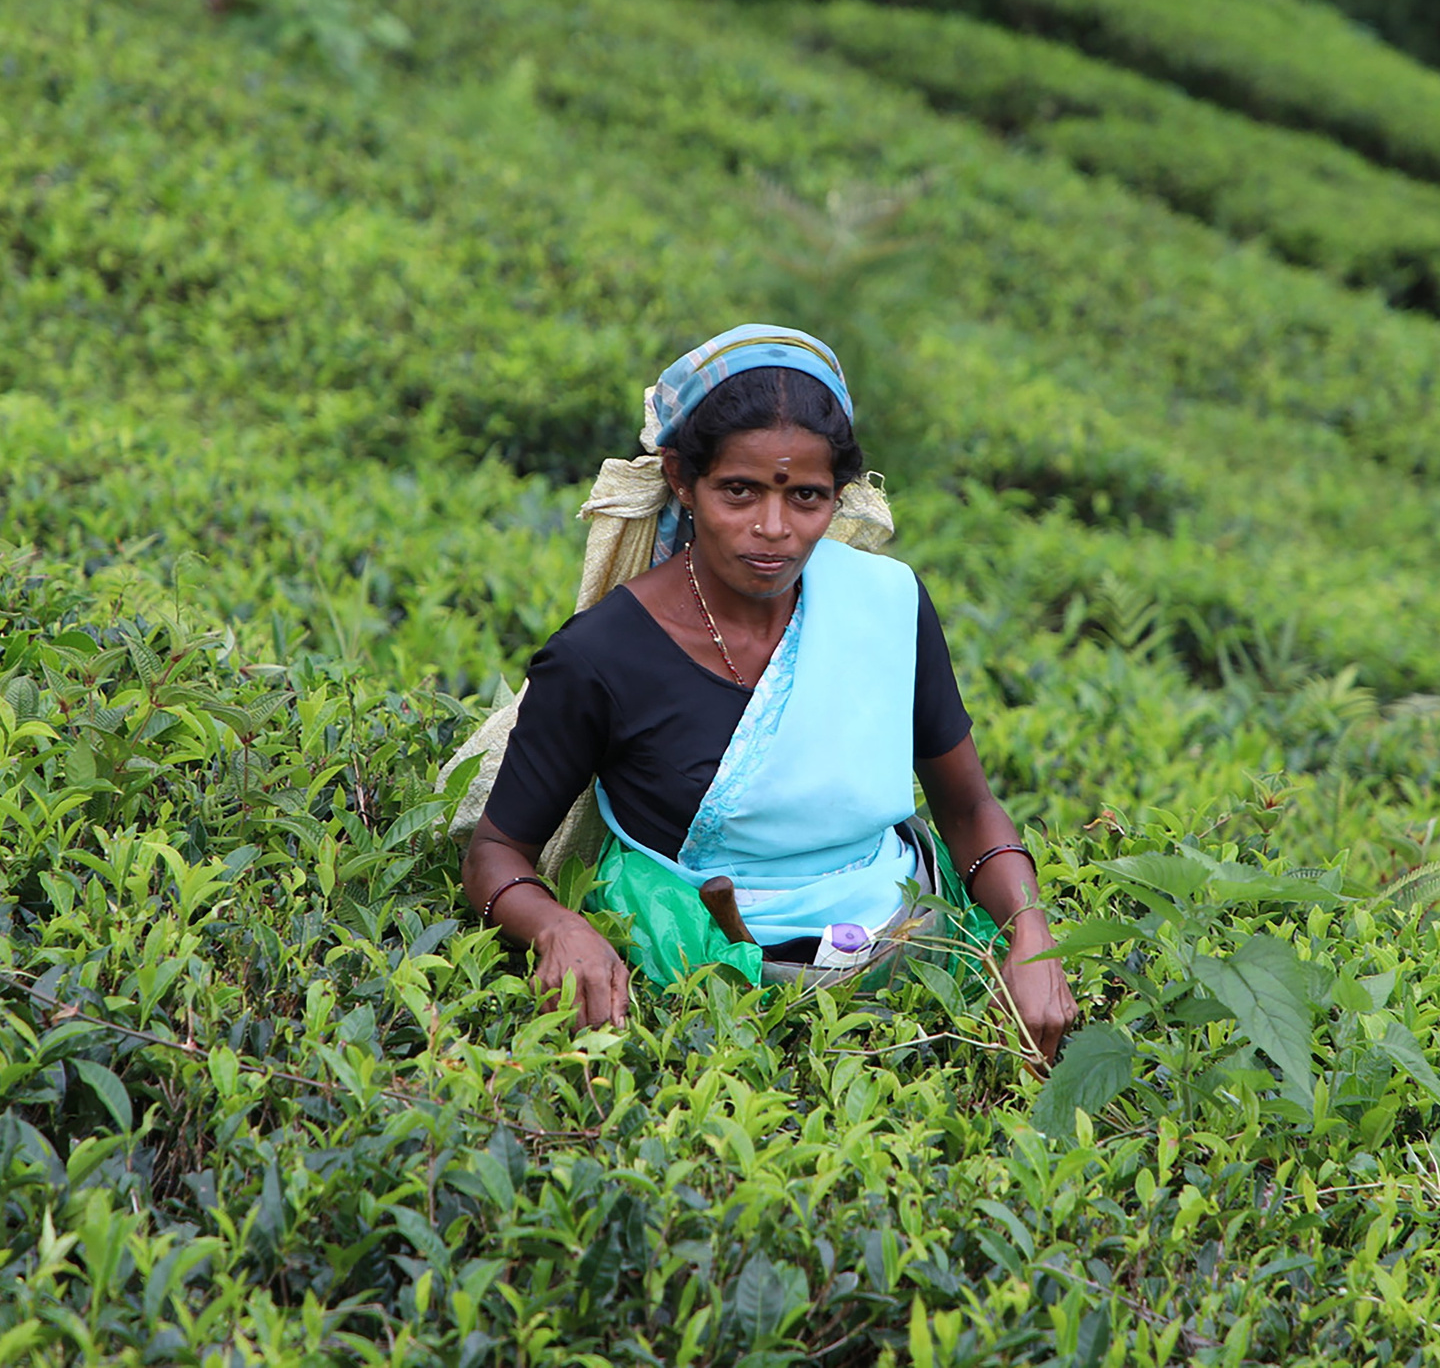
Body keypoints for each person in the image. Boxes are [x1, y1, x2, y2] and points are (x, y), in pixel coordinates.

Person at [459, 324, 1078, 1059]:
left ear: (840, 496)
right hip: (690, 968)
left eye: (807, 496)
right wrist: (560, 926)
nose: (773, 529)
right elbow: (496, 854)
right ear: (682, 478)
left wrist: (1031, 933)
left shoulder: (884, 604)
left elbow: (969, 806)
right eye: (739, 491)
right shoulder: (603, 654)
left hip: (903, 942)